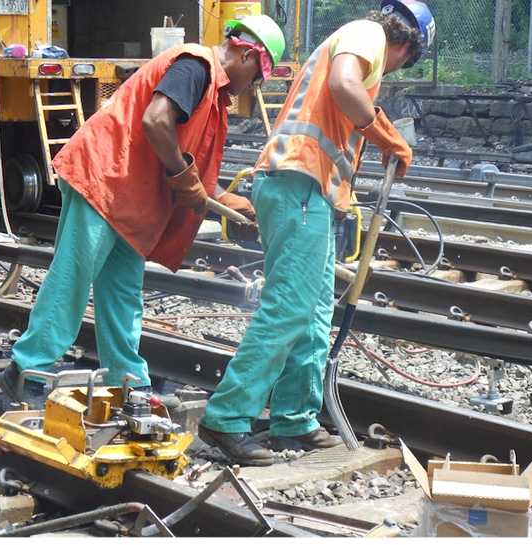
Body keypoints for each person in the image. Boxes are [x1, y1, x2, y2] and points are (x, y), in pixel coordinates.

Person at [0, 16, 286, 406]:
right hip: (105, 176)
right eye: (256, 77)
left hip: (132, 197)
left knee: (122, 293)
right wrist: (184, 176)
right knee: (75, 275)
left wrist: (230, 200)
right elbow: (156, 120)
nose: (250, 87)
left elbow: (194, 167)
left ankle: (128, 382)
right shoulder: (196, 66)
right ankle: (27, 369)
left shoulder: (212, 96)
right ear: (248, 55)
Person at [199, 0, 436, 466]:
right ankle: (225, 417)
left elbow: (344, 103)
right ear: (405, 45)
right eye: (405, 59)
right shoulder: (368, 35)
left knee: (310, 312)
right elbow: (344, 85)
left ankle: (295, 419)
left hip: (310, 190)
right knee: (289, 306)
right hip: (297, 182)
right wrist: (386, 135)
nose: (396, 65)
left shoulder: (358, 43)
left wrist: (376, 138)